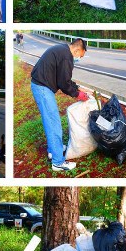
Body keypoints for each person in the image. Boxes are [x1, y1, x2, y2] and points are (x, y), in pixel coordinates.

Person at [30, 39, 89, 171]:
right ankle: (58, 162)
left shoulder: (62, 49)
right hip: (42, 88)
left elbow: (64, 79)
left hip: (41, 86)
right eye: (81, 55)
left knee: (51, 121)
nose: (79, 58)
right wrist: (78, 95)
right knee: (53, 123)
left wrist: (78, 88)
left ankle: (53, 149)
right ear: (77, 50)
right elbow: (64, 83)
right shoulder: (66, 58)